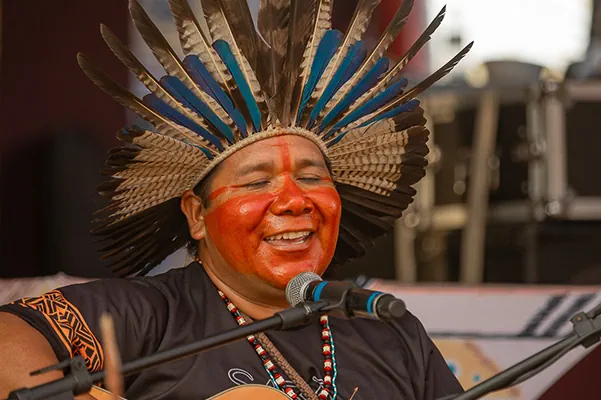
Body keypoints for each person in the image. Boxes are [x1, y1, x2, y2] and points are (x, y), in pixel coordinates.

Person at [0, 0, 473, 399]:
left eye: (312, 177)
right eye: (256, 182)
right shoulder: (151, 316)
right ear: (196, 215)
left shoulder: (390, 333)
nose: (294, 201)